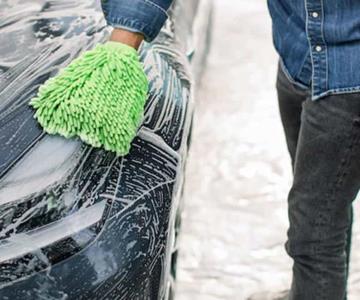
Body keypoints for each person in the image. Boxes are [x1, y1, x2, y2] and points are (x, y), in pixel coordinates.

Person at [103, 1, 360, 299]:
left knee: (313, 232)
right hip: (297, 58)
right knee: (325, 209)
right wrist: (123, 41)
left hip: (347, 81)